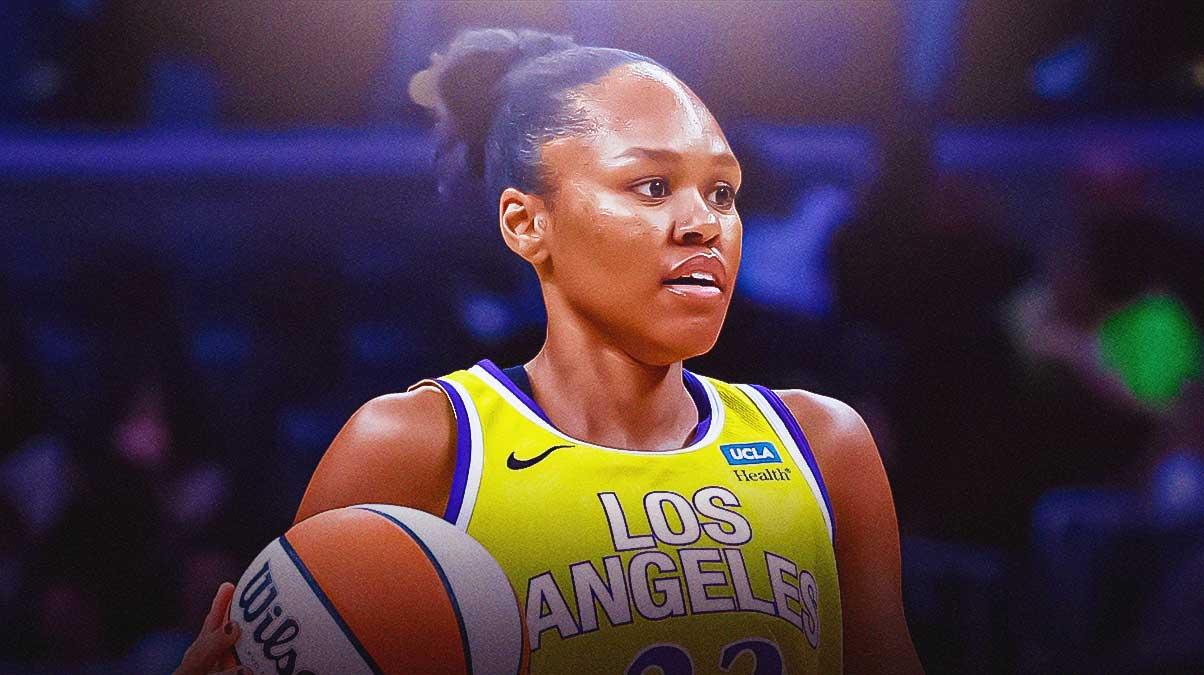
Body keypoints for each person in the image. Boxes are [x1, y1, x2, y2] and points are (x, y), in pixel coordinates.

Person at [178, 28, 921, 674]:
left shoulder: (824, 445)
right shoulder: (416, 447)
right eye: (653, 184)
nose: (704, 222)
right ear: (527, 222)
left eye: (723, 192)